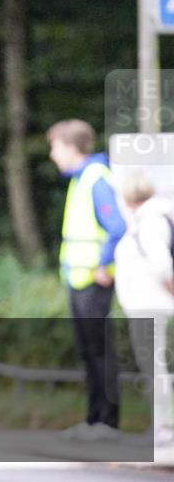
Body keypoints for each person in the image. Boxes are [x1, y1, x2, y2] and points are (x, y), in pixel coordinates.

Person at [47, 119, 127, 441]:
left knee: (100, 352)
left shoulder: (95, 179)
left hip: (93, 281)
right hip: (79, 280)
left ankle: (107, 423)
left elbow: (117, 226)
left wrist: (104, 265)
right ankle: (94, 420)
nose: (53, 155)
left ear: (70, 147)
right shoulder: (80, 180)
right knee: (88, 352)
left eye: (55, 147)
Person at [114, 171, 174, 446]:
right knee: (153, 365)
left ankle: (164, 427)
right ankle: (162, 425)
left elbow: (161, 264)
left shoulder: (149, 221)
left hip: (149, 303)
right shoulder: (146, 219)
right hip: (144, 303)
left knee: (154, 367)